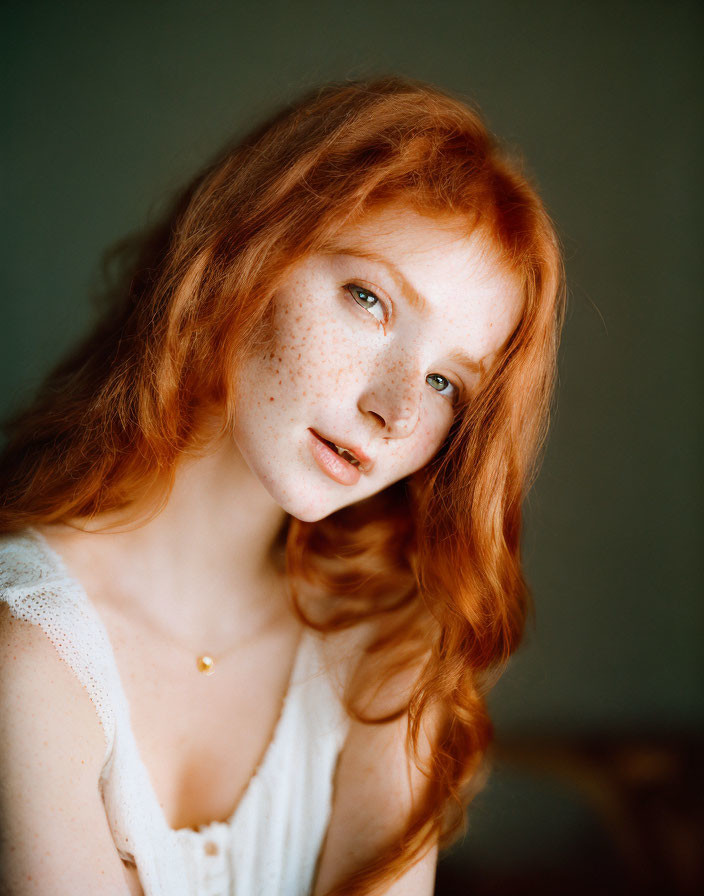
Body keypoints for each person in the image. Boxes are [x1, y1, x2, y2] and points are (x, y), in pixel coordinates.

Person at [0, 76, 564, 895]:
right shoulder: (27, 648)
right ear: (242, 254)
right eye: (369, 300)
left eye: (448, 384)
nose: (395, 410)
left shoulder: (386, 658)